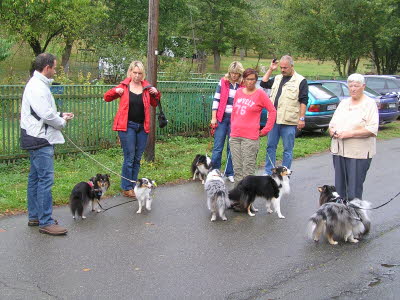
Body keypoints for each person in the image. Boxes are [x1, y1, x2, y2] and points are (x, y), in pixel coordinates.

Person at [20, 53, 74, 236]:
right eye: (55, 67)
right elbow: (46, 115)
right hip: (39, 138)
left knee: (35, 178)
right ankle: (46, 221)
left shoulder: (39, 85)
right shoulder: (37, 87)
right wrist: (61, 122)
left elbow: (45, 111)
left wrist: (61, 115)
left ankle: (35, 216)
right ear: (47, 68)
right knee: (45, 179)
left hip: (36, 135)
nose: (56, 70)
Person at [104, 61, 161, 198]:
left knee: (137, 158)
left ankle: (134, 185)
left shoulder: (147, 88)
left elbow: (155, 104)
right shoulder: (123, 87)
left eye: (139, 73)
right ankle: (126, 187)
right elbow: (107, 97)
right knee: (129, 157)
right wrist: (114, 91)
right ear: (130, 72)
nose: (136, 76)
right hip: (127, 126)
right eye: (134, 72)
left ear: (143, 74)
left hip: (142, 127)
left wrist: (156, 94)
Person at [329, 73, 378, 200]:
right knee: (339, 190)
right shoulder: (343, 103)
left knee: (354, 191)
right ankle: (341, 216)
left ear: (363, 86)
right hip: (339, 151)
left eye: (356, 86)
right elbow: (332, 124)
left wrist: (349, 134)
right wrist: (332, 131)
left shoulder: (369, 104)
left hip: (358, 153)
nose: (353, 88)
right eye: (350, 86)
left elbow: (372, 129)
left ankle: (355, 217)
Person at [260, 55, 308, 175]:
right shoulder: (277, 78)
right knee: (270, 147)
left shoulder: (301, 80)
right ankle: (269, 172)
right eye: (281, 67)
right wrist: (271, 69)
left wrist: (301, 118)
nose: (282, 70)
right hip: (274, 120)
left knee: (287, 149)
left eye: (285, 67)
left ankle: (284, 174)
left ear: (292, 66)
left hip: (289, 121)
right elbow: (263, 83)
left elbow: (303, 101)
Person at [230, 68, 277, 184]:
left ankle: (248, 200)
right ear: (244, 80)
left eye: (253, 79)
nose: (250, 82)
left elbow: (272, 111)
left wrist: (266, 129)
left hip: (250, 137)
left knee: (248, 170)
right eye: (248, 79)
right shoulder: (239, 92)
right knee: (237, 169)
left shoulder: (260, 94)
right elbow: (234, 111)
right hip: (235, 135)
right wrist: (233, 126)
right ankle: (238, 198)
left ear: (256, 80)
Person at [211, 61, 244, 183]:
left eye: (236, 73)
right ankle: (215, 172)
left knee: (232, 147)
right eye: (232, 73)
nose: (234, 75)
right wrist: (213, 118)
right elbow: (216, 99)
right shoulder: (223, 82)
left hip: (235, 120)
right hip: (221, 118)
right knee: (218, 147)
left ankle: (230, 172)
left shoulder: (242, 84)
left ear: (240, 74)